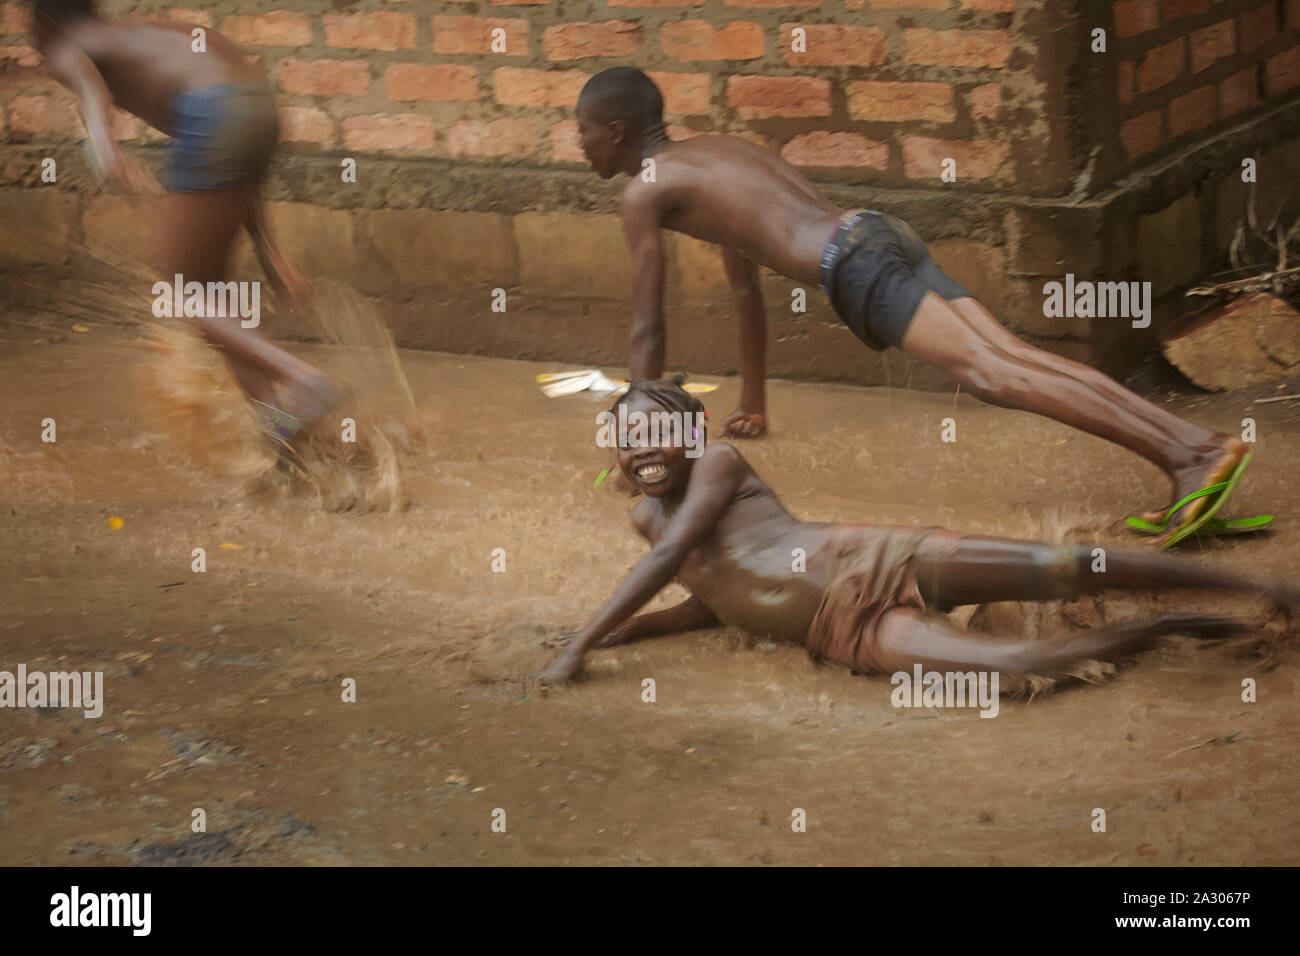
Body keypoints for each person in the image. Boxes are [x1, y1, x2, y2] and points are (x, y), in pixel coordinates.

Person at [574, 66, 1248, 544]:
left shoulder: (644, 191)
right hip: (877, 230)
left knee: (994, 374)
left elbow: (648, 324)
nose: (579, 146)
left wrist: (641, 436)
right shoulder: (714, 154)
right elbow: (745, 288)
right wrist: (753, 400)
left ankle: (1190, 460)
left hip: (855, 265)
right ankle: (1196, 447)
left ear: (615, 129)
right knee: (1013, 357)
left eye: (583, 132)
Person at [533, 379, 1289, 687]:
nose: (642, 449)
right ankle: (1168, 625)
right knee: (1026, 663)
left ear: (692, 435)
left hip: (870, 556)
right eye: (627, 440)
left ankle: (1261, 589)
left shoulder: (722, 463)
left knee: (1066, 565)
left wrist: (577, 646)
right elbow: (709, 591)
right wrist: (627, 634)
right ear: (616, 454)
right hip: (840, 633)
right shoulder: (642, 514)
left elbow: (672, 557)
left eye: (658, 432)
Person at [31, 0, 336, 439]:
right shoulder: (146, 33)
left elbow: (100, 131)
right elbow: (239, 146)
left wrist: (109, 159)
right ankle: (285, 441)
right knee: (217, 295)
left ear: (39, 18)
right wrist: (269, 251)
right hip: (258, 109)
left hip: (213, 116)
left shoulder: (64, 47)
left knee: (185, 294)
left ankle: (302, 378)